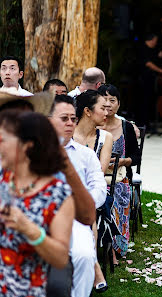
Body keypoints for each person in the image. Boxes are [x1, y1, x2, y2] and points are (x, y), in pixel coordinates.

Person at [0, 110, 74, 297]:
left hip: (22, 290)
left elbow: (60, 259)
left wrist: (29, 229)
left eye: (2, 140)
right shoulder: (2, 178)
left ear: (26, 146)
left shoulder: (58, 194)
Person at [48, 94, 106, 297]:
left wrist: (79, 204)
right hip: (39, 219)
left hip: (76, 220)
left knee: (84, 255)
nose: (70, 123)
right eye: (64, 118)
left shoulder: (85, 154)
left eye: (73, 119)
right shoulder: (32, 152)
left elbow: (99, 188)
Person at [73, 89, 112, 292]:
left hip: (96, 192)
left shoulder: (106, 137)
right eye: (102, 108)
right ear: (88, 111)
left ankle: (90, 264)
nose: (107, 112)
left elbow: (100, 171)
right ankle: (93, 266)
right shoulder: (67, 133)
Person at [98, 84, 140, 264]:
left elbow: (136, 156)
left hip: (120, 177)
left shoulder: (126, 127)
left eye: (112, 100)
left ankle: (117, 247)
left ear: (118, 104)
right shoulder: (92, 124)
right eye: (104, 100)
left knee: (119, 190)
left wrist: (123, 161)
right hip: (97, 178)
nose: (108, 104)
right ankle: (103, 245)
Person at [138, 33, 162, 128]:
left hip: (152, 80)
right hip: (142, 79)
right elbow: (148, 64)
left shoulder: (153, 50)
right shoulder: (143, 49)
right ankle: (143, 123)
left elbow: (161, 55)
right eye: (155, 40)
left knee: (150, 101)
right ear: (151, 39)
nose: (156, 42)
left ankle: (148, 123)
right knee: (143, 101)